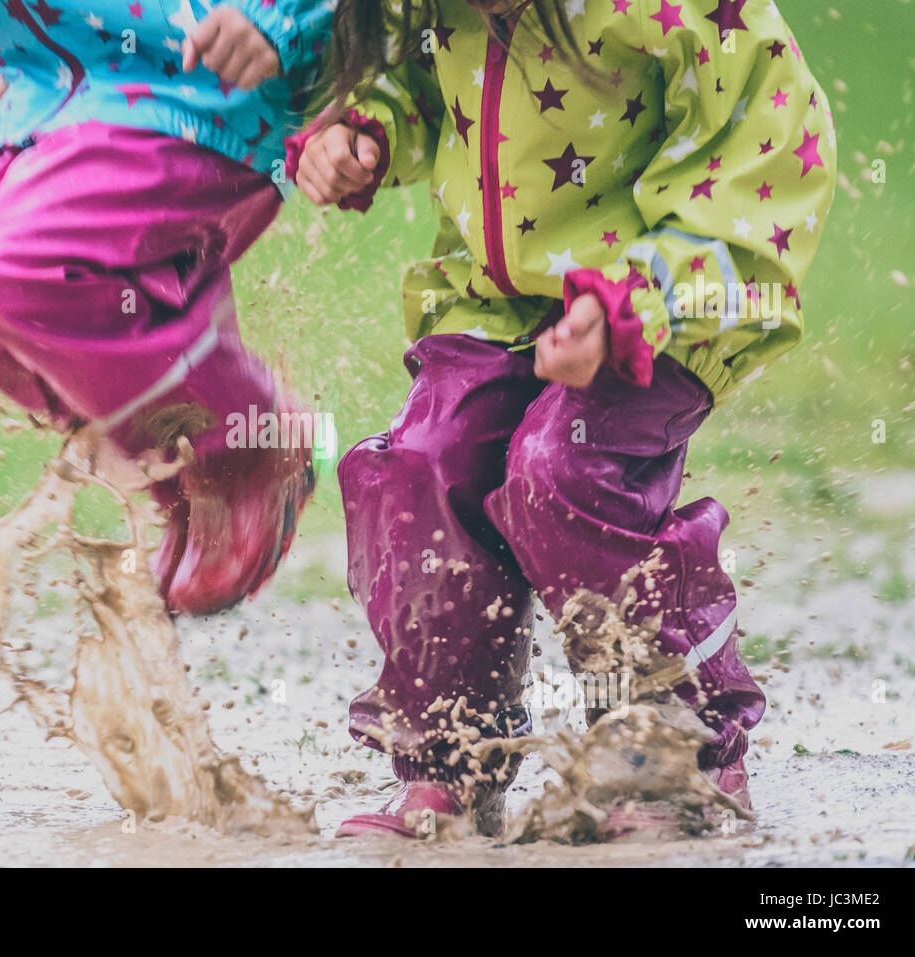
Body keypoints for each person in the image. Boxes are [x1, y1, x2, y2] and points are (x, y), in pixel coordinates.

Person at [288, 0, 837, 837]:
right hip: (497, 303)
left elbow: (760, 151)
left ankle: (674, 745)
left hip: (664, 298)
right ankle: (454, 759)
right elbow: (422, 79)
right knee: (420, 467)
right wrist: (365, 130)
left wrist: (636, 299)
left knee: (559, 465)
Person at [0, 0, 333, 614]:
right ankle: (182, 464)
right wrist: (31, 44)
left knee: (15, 267)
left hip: (197, 89)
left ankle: (250, 442)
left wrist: (281, 21)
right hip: (68, 86)